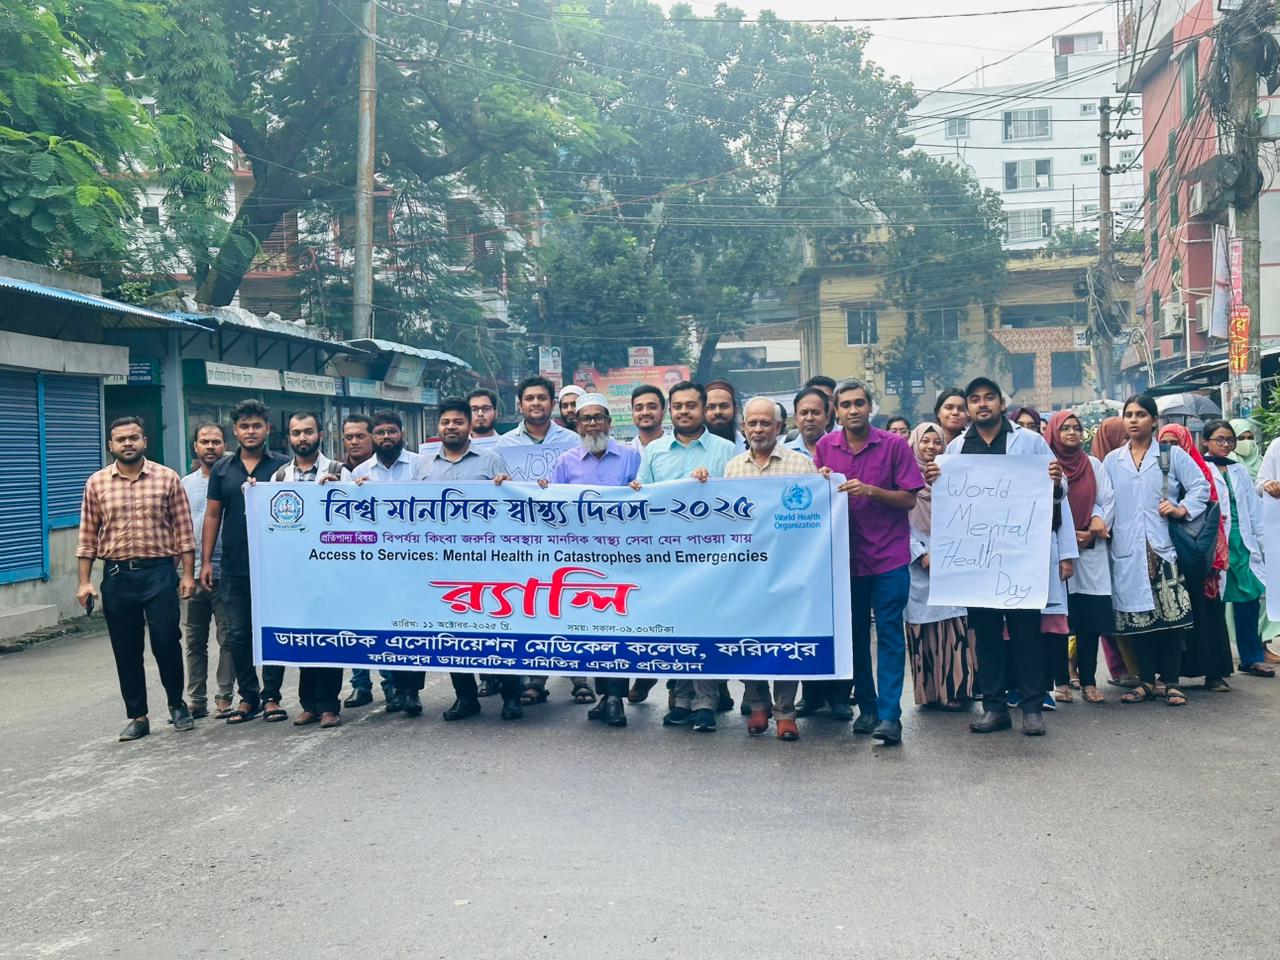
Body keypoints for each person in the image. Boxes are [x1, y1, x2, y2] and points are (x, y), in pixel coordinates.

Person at [924, 377, 1067, 737]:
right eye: (975, 400)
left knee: (1025, 634)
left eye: (989, 398)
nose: (982, 404)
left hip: (1020, 557)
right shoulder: (955, 450)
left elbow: (1055, 492)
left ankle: (1033, 708)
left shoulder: (1030, 442)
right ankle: (994, 706)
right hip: (977, 562)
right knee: (986, 636)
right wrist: (937, 479)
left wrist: (1056, 480)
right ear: (968, 407)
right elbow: (948, 505)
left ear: (1002, 404)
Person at [813, 378, 922, 746]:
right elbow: (816, 496)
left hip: (889, 555)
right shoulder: (826, 447)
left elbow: (909, 499)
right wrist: (821, 480)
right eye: (845, 404)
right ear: (836, 411)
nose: (853, 410)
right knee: (855, 634)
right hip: (845, 557)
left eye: (859, 403)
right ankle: (869, 708)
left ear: (870, 406)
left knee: (889, 633)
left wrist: (871, 491)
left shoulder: (893, 445)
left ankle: (891, 716)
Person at [77, 417, 197, 742]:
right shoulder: (97, 483)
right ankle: (138, 716)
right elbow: (87, 535)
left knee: (166, 641)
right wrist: (84, 582)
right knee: (126, 649)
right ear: (110, 446)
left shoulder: (167, 478)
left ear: (145, 441)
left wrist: (187, 574)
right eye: (120, 439)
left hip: (159, 573)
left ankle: (176, 704)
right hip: (117, 576)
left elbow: (184, 531)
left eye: (133, 438)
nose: (127, 443)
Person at [409, 399, 525, 721]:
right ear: (438, 427)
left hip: (487, 563)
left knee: (499, 631)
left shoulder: (491, 460)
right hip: (442, 564)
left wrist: (507, 487)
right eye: (445, 422)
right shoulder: (424, 466)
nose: (451, 427)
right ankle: (466, 697)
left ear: (469, 426)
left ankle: (511, 696)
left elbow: (514, 508)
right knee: (452, 632)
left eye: (458, 422)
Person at [537, 393, 642, 726]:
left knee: (620, 630)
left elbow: (646, 499)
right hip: (580, 563)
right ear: (577, 424)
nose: (593, 423)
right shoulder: (565, 462)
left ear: (610, 423)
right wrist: (541, 491)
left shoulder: (630, 458)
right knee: (594, 630)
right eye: (586, 418)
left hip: (623, 559)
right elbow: (553, 510)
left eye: (599, 417)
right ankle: (606, 697)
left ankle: (614, 698)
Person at [636, 380, 735, 731]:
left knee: (705, 627)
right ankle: (678, 700)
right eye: (677, 406)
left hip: (712, 556)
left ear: (704, 409)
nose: (684, 412)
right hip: (666, 558)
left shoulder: (726, 450)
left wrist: (712, 486)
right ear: (670, 410)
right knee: (673, 629)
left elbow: (739, 498)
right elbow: (641, 501)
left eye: (691, 405)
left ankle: (706, 702)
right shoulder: (654, 452)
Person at [1102, 396, 1208, 708]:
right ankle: (1146, 681)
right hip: (1126, 548)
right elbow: (1105, 501)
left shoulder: (1170, 455)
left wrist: (1180, 509)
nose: (1134, 420)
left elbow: (1200, 485)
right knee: (1139, 618)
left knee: (1171, 618)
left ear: (1153, 421)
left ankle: (1172, 682)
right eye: (1129, 415)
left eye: (1141, 414)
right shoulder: (1112, 460)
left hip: (1162, 548)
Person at [723, 397, 817, 740]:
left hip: (788, 570)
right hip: (746, 570)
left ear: (779, 427)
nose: (759, 429)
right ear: (744, 428)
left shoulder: (801, 466)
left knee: (784, 641)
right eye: (752, 424)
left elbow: (816, 517)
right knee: (749, 641)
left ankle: (786, 712)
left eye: (766, 423)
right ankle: (758, 705)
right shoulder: (733, 468)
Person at [202, 400, 291, 725]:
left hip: (274, 567)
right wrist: (207, 561)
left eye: (257, 425)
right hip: (234, 566)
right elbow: (213, 515)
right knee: (237, 635)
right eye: (244, 426)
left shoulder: (283, 467)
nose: (250, 431)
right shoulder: (222, 470)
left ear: (267, 429)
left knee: (271, 634)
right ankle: (248, 697)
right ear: (235, 431)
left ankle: (271, 697)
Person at [268, 412, 350, 728]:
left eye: (308, 432)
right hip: (295, 572)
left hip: (331, 570)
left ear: (320, 435)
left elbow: (354, 513)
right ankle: (309, 705)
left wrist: (341, 489)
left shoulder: (338, 471)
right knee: (304, 639)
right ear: (288, 437)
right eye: (296, 433)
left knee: (329, 638)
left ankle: (330, 705)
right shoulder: (277, 478)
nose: (302, 438)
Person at [352, 410, 423, 714]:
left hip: (416, 561)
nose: (386, 438)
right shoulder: (360, 473)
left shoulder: (421, 466)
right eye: (380, 433)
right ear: (373, 437)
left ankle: (412, 692)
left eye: (391, 431)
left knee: (413, 629)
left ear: (401, 433)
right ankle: (393, 686)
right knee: (385, 627)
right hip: (378, 564)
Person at [1046, 410, 1116, 705]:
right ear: (1053, 433)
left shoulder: (1094, 464)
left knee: (1090, 622)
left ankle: (1088, 680)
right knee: (1059, 621)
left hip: (1090, 551)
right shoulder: (1047, 466)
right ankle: (1061, 680)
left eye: (1077, 428)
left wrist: (1091, 529)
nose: (1072, 433)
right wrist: (1065, 538)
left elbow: (1107, 500)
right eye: (1065, 429)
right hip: (1057, 553)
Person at [1159, 422, 1234, 693]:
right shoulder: (1159, 473)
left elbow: (1214, 515)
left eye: (1175, 443)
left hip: (1200, 556)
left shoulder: (1201, 472)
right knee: (1174, 614)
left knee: (1207, 614)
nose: (1170, 449)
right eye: (1165, 443)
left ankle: (1213, 673)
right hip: (1171, 555)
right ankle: (1171, 675)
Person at [904, 422, 974, 711]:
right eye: (925, 442)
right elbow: (897, 524)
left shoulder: (952, 480)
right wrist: (921, 555)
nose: (931, 447)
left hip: (952, 564)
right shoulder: (903, 480)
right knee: (925, 628)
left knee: (954, 626)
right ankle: (930, 693)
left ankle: (957, 690)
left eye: (937, 442)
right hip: (918, 566)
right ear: (914, 444)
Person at [1201, 419, 1273, 678]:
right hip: (1215, 547)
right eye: (1219, 439)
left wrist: (1264, 543)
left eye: (1229, 440)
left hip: (1242, 545)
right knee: (1214, 604)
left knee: (1249, 599)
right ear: (1205, 442)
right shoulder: (1200, 469)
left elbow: (1253, 510)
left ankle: (1251, 658)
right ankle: (1216, 663)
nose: (1226, 444)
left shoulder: (1239, 470)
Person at [181, 423, 235, 720]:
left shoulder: (233, 479)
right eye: (204, 442)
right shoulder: (183, 484)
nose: (210, 447)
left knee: (227, 637)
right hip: (190, 570)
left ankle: (225, 696)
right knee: (193, 639)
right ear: (195, 446)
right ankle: (196, 699)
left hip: (225, 570)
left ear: (224, 444)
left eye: (216, 441)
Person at [1090, 415, 1142, 686]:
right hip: (1101, 543)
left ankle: (1136, 665)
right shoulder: (1096, 466)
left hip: (1128, 541)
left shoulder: (1136, 461)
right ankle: (1117, 667)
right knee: (1104, 609)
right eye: (1120, 438)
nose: (1126, 442)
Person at [498, 376, 577, 449]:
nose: (536, 403)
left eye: (542, 398)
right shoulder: (505, 443)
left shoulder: (573, 440)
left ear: (552, 405)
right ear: (520, 406)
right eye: (529, 399)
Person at [785, 386, 830, 460]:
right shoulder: (784, 453)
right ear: (795, 419)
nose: (809, 418)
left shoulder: (839, 451)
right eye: (804, 413)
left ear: (827, 418)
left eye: (816, 413)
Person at [705, 379, 746, 452]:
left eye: (724, 406)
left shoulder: (748, 446)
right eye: (711, 407)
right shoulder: (691, 448)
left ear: (735, 410)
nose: (718, 412)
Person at [629, 384, 669, 452]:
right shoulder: (626, 453)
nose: (645, 413)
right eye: (639, 408)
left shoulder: (677, 450)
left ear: (663, 413)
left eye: (652, 407)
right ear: (632, 414)